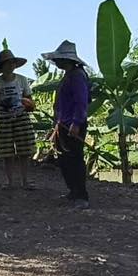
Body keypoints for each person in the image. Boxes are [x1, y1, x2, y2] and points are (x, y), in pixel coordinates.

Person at [42, 40, 91, 209]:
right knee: (64, 160)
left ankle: (81, 195)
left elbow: (81, 102)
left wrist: (76, 123)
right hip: (63, 124)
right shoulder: (68, 76)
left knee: (75, 159)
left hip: (73, 124)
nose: (56, 62)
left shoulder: (77, 76)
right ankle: (73, 191)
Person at [0, 49, 37, 190]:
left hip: (21, 118)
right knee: (6, 152)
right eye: (7, 63)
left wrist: (30, 106)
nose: (11, 65)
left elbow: (29, 100)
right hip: (3, 119)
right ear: (2, 67)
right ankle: (9, 182)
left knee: (25, 151)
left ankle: (25, 181)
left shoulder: (22, 80)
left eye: (12, 63)